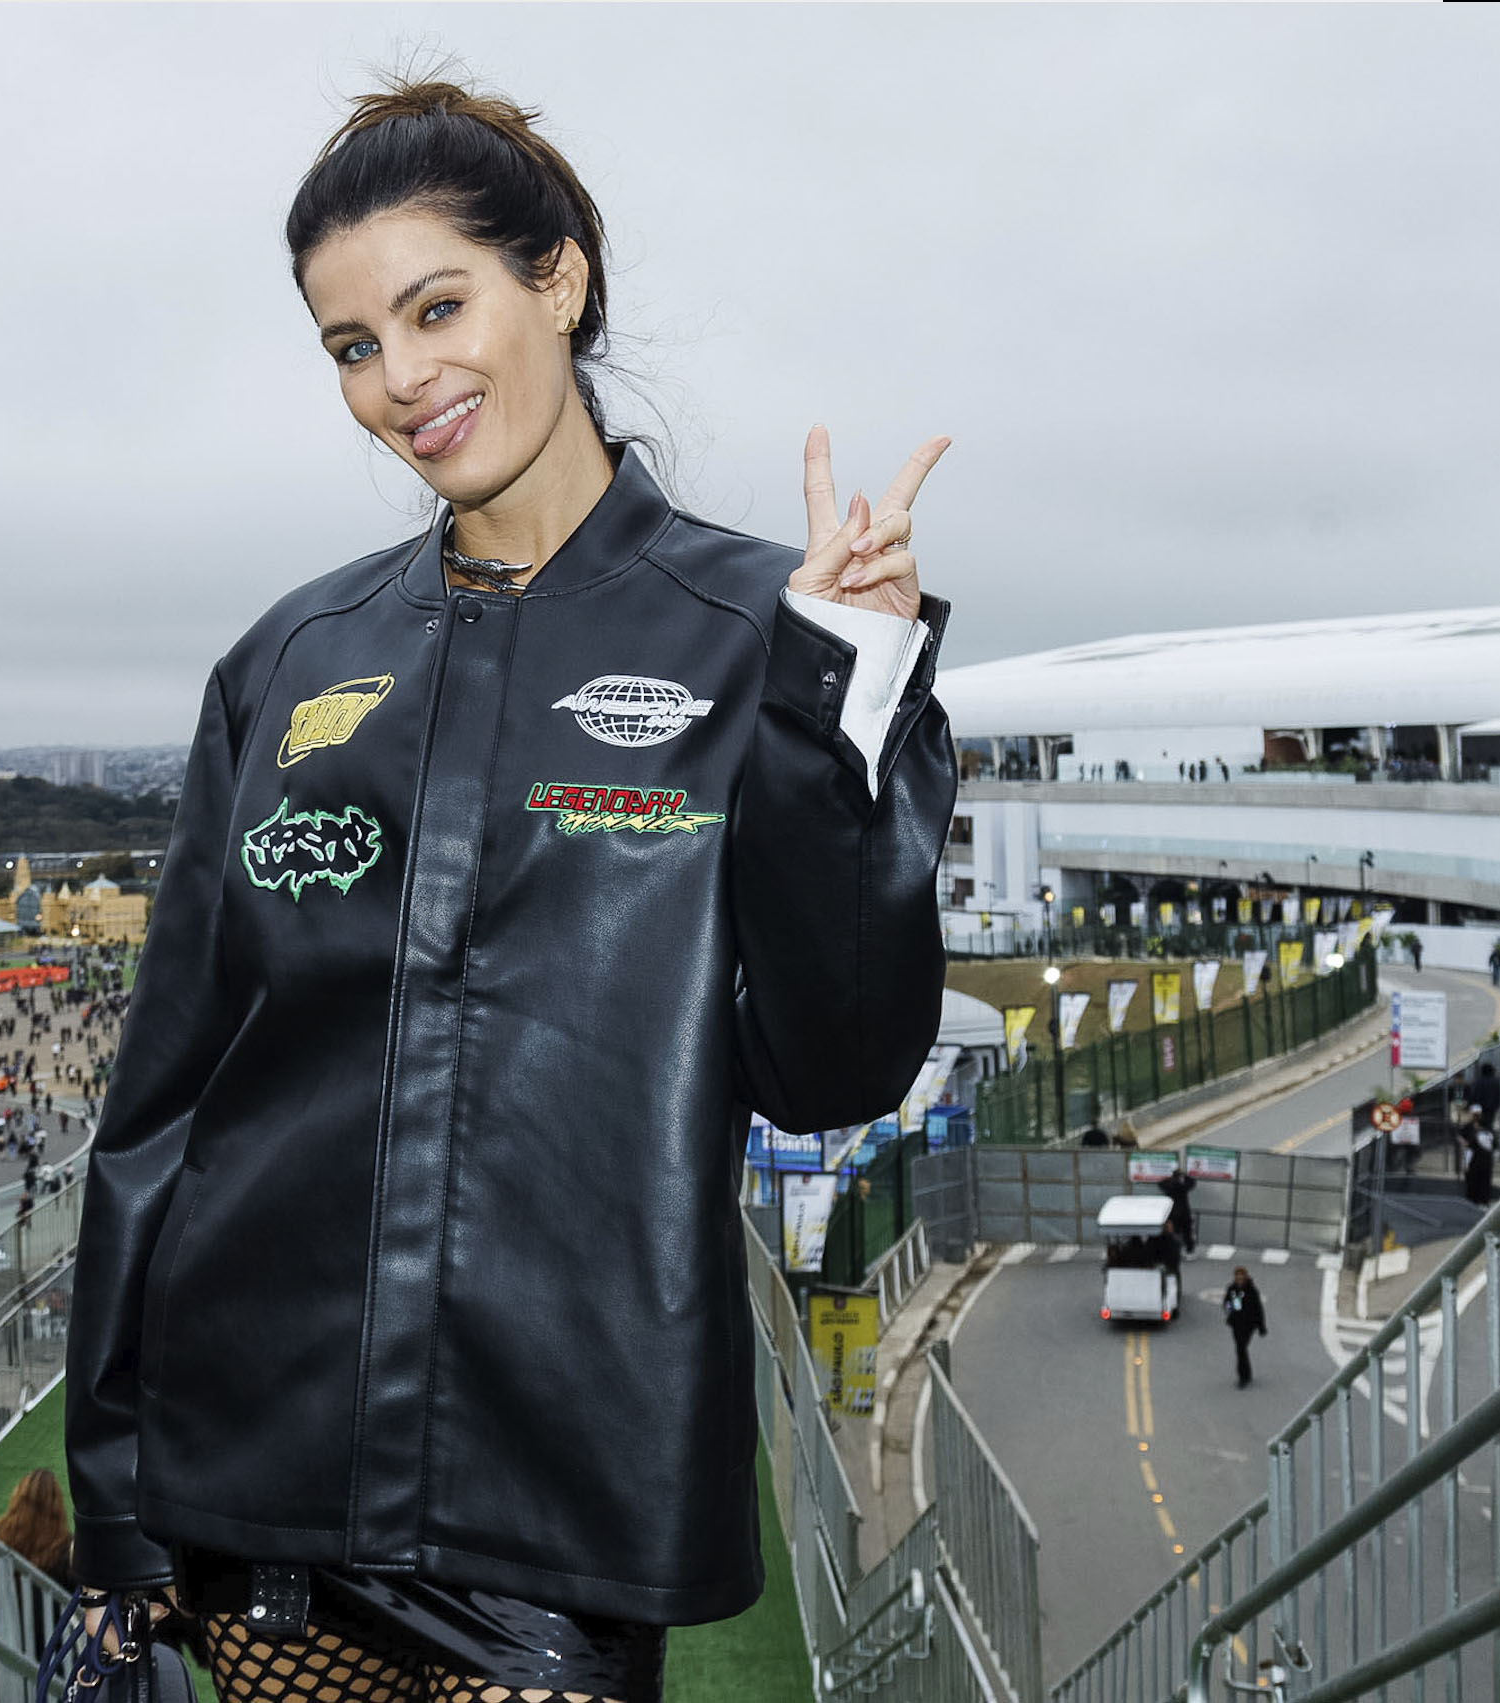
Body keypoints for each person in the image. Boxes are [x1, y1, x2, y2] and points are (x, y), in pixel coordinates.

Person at [63, 71, 955, 1703]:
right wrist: (115, 1502)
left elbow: (829, 1065)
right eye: (351, 345)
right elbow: (165, 1102)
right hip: (253, 1459)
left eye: (435, 308)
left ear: (557, 279)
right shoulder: (287, 659)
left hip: (564, 1478)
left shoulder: (769, 634)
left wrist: (840, 697)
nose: (400, 379)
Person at [0, 1467, 78, 1655]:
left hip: (0, 1653)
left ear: (17, 1498)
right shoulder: (64, 1549)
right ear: (58, 1507)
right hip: (52, 1657)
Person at [1223, 1267, 1268, 1388]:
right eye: (1237, 1276)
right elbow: (1226, 1302)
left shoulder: (1252, 1291)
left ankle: (1243, 1377)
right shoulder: (1232, 1289)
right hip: (1236, 1323)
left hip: (1249, 1324)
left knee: (1241, 1348)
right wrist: (1229, 1310)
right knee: (1240, 1349)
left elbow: (1258, 1309)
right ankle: (1245, 1374)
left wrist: (1261, 1326)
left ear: (1245, 1277)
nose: (1239, 1279)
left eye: (1241, 1276)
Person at [1463, 1112, 1498, 1205]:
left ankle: (1473, 1202)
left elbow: (1469, 1152)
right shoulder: (1491, 1136)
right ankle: (1485, 1202)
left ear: (1479, 1125)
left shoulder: (1475, 1136)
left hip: (1475, 1164)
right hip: (1487, 1164)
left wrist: (1466, 1164)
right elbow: (1496, 1151)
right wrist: (1493, 1161)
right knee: (1485, 1183)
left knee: (1474, 1183)